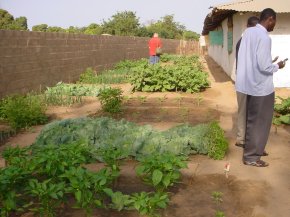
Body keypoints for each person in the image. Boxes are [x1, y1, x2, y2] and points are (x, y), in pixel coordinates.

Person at [236, 8, 286, 167]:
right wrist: (278, 65)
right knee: (261, 122)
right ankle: (251, 157)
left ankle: (253, 150)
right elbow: (264, 66)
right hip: (260, 87)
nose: (274, 26)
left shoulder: (248, 33)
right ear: (270, 19)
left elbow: (250, 59)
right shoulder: (264, 37)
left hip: (248, 84)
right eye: (274, 22)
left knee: (252, 121)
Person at [235, 16, 260, 149]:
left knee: (245, 111)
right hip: (248, 82)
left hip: (244, 82)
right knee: (248, 112)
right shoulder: (246, 42)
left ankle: (243, 139)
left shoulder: (242, 41)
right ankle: (243, 139)